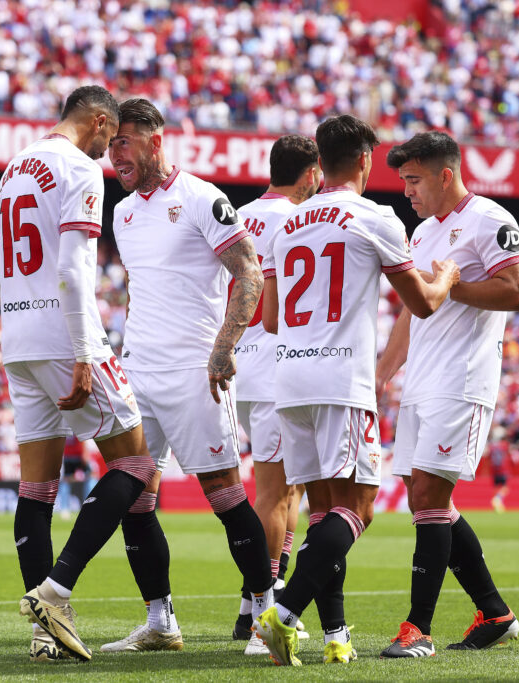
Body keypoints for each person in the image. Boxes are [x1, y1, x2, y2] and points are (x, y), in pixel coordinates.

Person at [251, 114, 460, 666]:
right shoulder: (375, 217)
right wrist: (449, 277)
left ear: (318, 163)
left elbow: (270, 319)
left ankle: (335, 636)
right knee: (360, 508)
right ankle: (283, 612)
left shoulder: (285, 225)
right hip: (340, 379)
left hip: (289, 379)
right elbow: (423, 304)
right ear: (366, 160)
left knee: (322, 512)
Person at [102, 97, 274, 653]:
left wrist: (224, 349)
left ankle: (266, 614)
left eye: (123, 141)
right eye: (109, 145)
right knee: (136, 496)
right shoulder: (122, 213)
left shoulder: (203, 198)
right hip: (139, 370)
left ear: (155, 141)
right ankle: (160, 621)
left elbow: (248, 271)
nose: (114, 154)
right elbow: (139, 291)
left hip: (194, 369)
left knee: (223, 491)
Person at [7, 86, 159, 664]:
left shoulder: (15, 166)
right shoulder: (77, 168)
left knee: (37, 486)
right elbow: (72, 266)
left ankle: (48, 634)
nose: (109, 149)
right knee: (136, 461)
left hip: (16, 334)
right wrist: (82, 350)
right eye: (109, 136)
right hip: (62, 334)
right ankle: (55, 589)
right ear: (98, 121)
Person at [375, 131, 519, 657]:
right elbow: (411, 307)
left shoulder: (490, 219)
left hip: (463, 379)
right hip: (423, 379)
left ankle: (417, 629)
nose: (407, 192)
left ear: (446, 175)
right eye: (403, 182)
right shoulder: (420, 234)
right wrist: (382, 372)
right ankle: (494, 611)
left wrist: (450, 284)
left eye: (414, 180)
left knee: (428, 498)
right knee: (426, 498)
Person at [230, 134, 321, 654]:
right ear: (308, 174)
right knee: (275, 493)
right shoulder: (300, 220)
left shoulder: (238, 213)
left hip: (245, 363)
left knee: (289, 491)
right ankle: (267, 612)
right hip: (279, 368)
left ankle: (252, 605)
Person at [487, 427, 511, 513]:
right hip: (503, 469)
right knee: (505, 487)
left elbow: (489, 458)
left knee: (496, 487)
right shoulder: (505, 445)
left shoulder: (492, 446)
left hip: (494, 470)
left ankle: (497, 504)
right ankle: (497, 499)